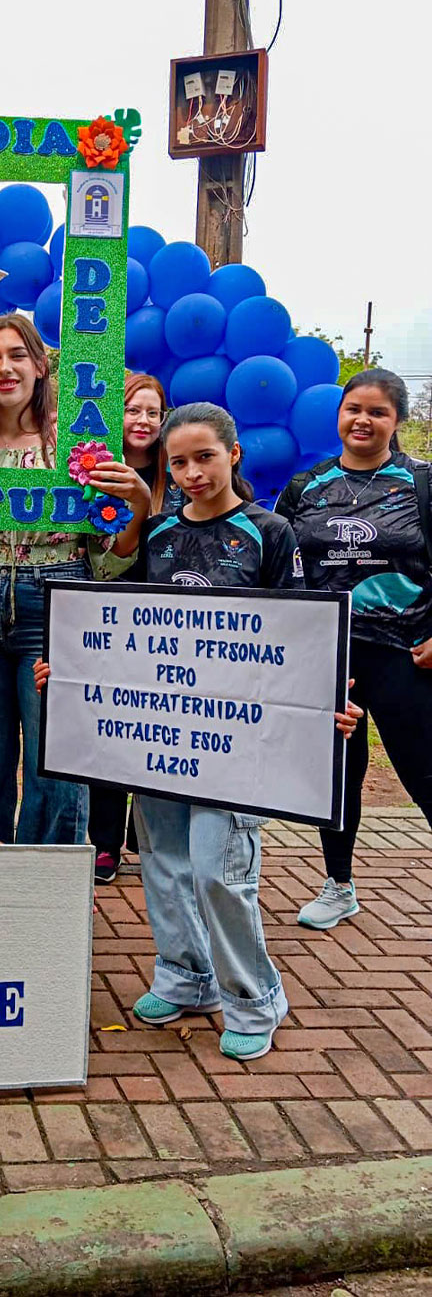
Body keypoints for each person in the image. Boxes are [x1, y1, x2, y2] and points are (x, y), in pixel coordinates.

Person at [39, 403, 358, 1061]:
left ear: (233, 455)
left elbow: (299, 637)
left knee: (220, 868)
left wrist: (325, 707)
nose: (190, 473)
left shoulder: (270, 534)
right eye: (178, 462)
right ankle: (186, 975)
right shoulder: (155, 536)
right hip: (160, 739)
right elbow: (125, 631)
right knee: (163, 860)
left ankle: (255, 997)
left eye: (204, 457)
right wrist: (69, 675)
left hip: (237, 744)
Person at [0, 315, 142, 846]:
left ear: (41, 365)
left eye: (17, 355)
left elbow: (107, 550)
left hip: (59, 600)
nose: (4, 368)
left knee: (58, 757)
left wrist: (136, 507)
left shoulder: (76, 447)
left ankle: (51, 888)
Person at [275, 368, 432, 929]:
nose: (362, 420)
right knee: (339, 772)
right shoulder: (306, 485)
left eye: (378, 411)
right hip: (328, 654)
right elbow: (285, 568)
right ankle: (338, 884)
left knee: (422, 770)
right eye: (353, 409)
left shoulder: (421, 483)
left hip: (404, 652)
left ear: (397, 421)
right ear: (338, 415)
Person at [87, 373, 184, 881]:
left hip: (172, 627)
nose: (143, 421)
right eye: (132, 410)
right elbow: (104, 558)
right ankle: (103, 840)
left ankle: (145, 835)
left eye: (153, 411)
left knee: (159, 734)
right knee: (110, 732)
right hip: (112, 620)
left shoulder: (183, 471)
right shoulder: (95, 473)